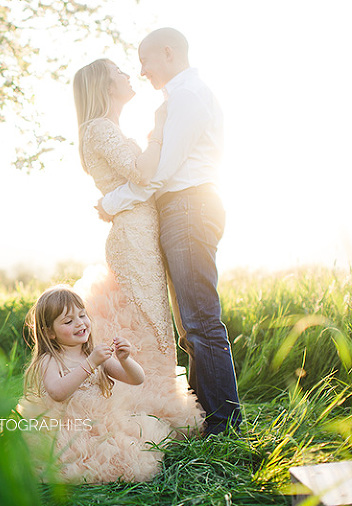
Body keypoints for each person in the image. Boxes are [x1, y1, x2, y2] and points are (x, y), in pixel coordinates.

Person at [96, 28, 242, 435]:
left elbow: (161, 171)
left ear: (168, 52)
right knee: (191, 326)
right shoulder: (177, 100)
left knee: (200, 323)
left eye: (145, 61)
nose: (141, 71)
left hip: (191, 207)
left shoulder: (189, 97)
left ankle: (224, 427)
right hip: (184, 209)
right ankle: (205, 420)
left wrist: (112, 203)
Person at [18, 285, 174, 483]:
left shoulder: (92, 354)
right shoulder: (50, 360)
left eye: (82, 316)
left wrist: (126, 359)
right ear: (49, 332)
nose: (79, 323)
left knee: (124, 453)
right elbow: (57, 392)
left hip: (101, 426)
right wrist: (91, 363)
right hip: (67, 430)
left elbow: (136, 379)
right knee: (69, 462)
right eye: (68, 321)